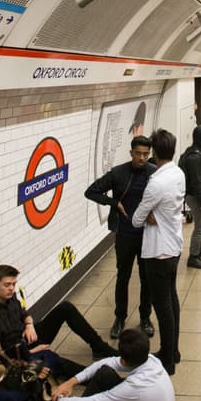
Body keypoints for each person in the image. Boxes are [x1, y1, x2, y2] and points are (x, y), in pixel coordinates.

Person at [28, 329, 175, 401]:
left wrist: (57, 392)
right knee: (105, 373)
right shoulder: (152, 360)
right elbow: (107, 362)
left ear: (124, 359)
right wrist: (72, 381)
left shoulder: (134, 387)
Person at [85, 136, 157, 339]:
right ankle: (120, 318)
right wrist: (113, 202)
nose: (142, 158)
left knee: (146, 278)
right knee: (122, 277)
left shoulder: (154, 174)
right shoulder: (118, 173)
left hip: (147, 236)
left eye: (145, 154)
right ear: (131, 152)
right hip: (125, 235)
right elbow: (91, 191)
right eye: (138, 153)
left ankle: (145, 317)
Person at [131, 129, 185, 375]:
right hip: (174, 246)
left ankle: (167, 360)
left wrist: (148, 214)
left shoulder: (156, 182)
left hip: (157, 252)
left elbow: (136, 219)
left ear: (154, 152)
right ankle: (173, 350)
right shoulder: (178, 173)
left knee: (162, 306)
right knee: (172, 300)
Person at [0, 265, 117, 364]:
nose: (11, 288)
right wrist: (30, 352)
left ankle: (98, 346)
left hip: (29, 337)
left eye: (13, 284)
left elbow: (24, 314)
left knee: (65, 307)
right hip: (19, 351)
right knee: (59, 363)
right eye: (7, 285)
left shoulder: (11, 298)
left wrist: (29, 325)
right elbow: (1, 352)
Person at [178, 125, 201, 270]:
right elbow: (196, 182)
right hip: (194, 196)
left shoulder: (195, 152)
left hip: (199, 194)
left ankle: (199, 247)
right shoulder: (195, 157)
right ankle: (193, 256)